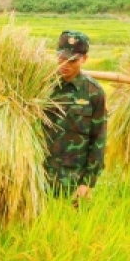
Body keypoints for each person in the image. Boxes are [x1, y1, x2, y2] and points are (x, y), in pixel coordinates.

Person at [44, 30, 106, 201]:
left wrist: (88, 183)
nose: (65, 64)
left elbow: (98, 140)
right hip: (39, 178)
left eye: (72, 60)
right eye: (62, 58)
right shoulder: (41, 86)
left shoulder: (93, 92)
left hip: (73, 181)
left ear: (84, 59)